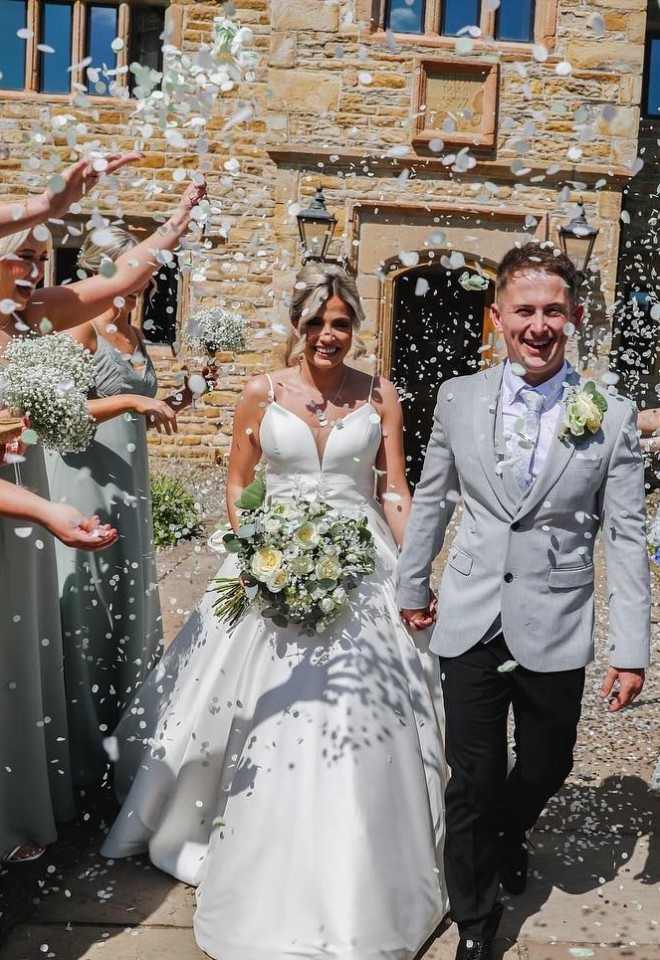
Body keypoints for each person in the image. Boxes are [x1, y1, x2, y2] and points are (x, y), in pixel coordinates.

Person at [101, 263, 449, 960]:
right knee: (248, 704)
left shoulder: (381, 397)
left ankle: (366, 871)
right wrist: (261, 550)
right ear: (296, 326)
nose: (329, 335)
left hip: (360, 566)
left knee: (364, 709)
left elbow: (395, 492)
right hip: (268, 565)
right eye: (316, 322)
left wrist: (417, 575)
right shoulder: (261, 393)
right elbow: (237, 485)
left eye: (341, 323)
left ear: (356, 327)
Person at [397, 242, 651, 960]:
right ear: (498, 316)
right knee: (471, 778)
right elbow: (434, 501)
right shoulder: (457, 397)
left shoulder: (610, 412)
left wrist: (631, 650)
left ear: (572, 318)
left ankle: (512, 832)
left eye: (553, 312)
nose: (539, 325)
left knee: (545, 766)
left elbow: (626, 538)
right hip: (472, 612)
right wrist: (413, 584)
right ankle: (477, 923)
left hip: (558, 616)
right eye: (524, 311)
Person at [0, 164, 205, 861]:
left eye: (41, 258)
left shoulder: (31, 319)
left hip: (25, 505)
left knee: (23, 657)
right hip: (29, 502)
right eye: (24, 256)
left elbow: (119, 280)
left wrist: (177, 223)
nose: (35, 269)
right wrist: (43, 201)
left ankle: (29, 802)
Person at [46, 224, 212, 787]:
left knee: (127, 607)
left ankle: (124, 746)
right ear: (96, 270)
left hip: (130, 487)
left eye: (142, 277)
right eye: (128, 273)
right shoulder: (77, 329)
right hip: (82, 483)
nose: (137, 287)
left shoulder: (135, 335)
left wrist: (189, 391)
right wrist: (132, 398)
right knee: (87, 611)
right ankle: (78, 757)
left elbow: (152, 409)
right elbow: (59, 411)